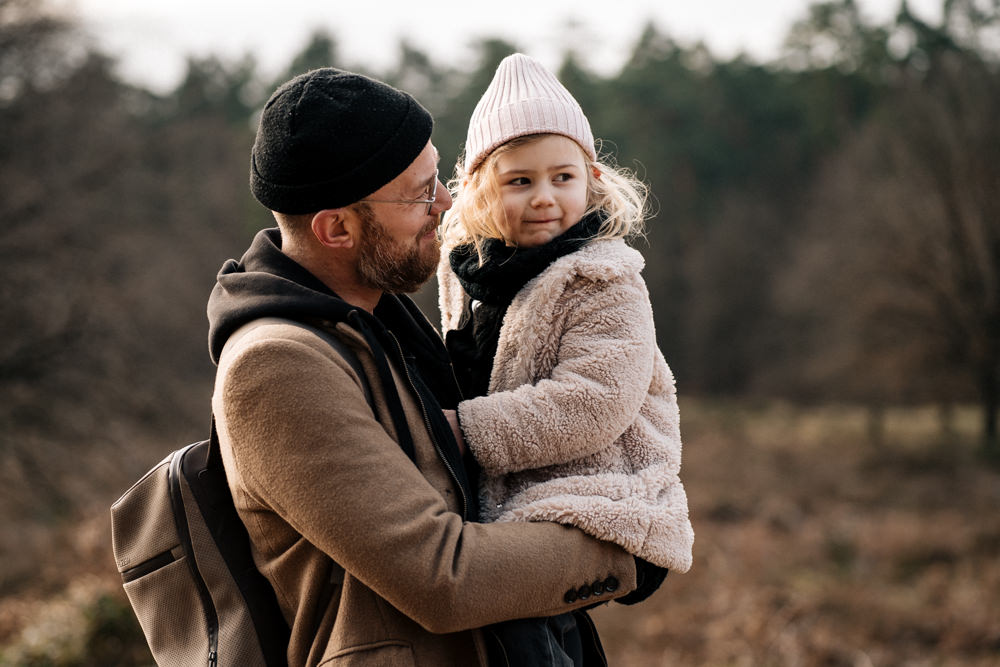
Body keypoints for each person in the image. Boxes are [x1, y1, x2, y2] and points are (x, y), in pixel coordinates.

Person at [206, 67, 653, 667]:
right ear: (337, 227)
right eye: (420, 194)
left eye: (439, 177)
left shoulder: (380, 324)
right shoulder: (276, 368)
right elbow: (443, 578)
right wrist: (624, 550)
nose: (447, 203)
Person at [438, 53, 695, 665]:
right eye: (519, 182)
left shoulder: (605, 280)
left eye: (562, 177)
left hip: (603, 488)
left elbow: (592, 402)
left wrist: (462, 431)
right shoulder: (472, 278)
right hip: (518, 491)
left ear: (593, 178)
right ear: (478, 190)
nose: (544, 198)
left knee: (518, 626)